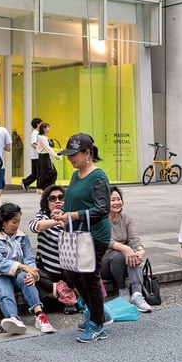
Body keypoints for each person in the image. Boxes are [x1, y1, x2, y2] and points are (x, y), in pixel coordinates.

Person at [52, 133, 111, 343]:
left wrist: (73, 215)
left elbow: (103, 209)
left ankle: (97, 325)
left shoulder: (98, 177)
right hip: (77, 235)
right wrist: (61, 213)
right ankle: (98, 312)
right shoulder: (77, 175)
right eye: (68, 155)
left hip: (95, 235)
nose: (70, 159)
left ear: (88, 153)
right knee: (73, 275)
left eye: (74, 154)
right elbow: (72, 203)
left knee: (89, 277)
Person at [0, 203, 56, 335]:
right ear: (3, 222)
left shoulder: (22, 237)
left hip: (18, 273)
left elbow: (29, 257)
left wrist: (32, 272)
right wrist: (23, 266)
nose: (16, 225)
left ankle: (40, 316)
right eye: (13, 222)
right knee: (4, 292)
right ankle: (13, 318)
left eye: (18, 222)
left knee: (26, 279)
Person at [100, 187, 152, 313]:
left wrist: (141, 251)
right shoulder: (100, 221)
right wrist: (125, 248)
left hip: (127, 262)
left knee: (134, 252)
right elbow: (106, 242)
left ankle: (137, 294)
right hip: (105, 263)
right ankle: (122, 288)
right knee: (118, 255)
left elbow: (134, 238)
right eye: (113, 200)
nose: (117, 202)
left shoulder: (126, 219)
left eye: (119, 199)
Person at [28, 186, 78, 314]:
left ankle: (61, 293)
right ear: (47, 202)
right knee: (32, 278)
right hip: (48, 269)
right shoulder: (42, 216)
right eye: (52, 198)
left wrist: (67, 219)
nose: (57, 201)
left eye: (61, 198)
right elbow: (34, 226)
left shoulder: (72, 215)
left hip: (68, 268)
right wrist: (56, 221)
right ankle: (65, 295)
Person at [35, 122, 60, 193]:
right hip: (43, 157)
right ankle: (40, 188)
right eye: (47, 127)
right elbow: (47, 148)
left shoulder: (45, 137)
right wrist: (55, 155)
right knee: (43, 173)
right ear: (43, 129)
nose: (49, 129)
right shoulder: (42, 138)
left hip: (46, 156)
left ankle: (48, 187)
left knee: (50, 172)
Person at [20, 117, 42, 191]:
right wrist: (40, 149)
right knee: (38, 173)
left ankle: (26, 182)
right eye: (41, 124)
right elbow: (33, 144)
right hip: (36, 156)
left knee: (36, 173)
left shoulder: (37, 133)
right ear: (38, 124)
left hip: (36, 156)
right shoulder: (35, 133)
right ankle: (38, 187)